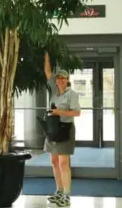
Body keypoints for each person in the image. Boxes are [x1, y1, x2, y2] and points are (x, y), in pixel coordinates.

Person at [43, 52, 81, 207]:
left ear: (67, 80)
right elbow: (47, 72)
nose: (60, 80)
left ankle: (67, 195)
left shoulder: (72, 94)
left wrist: (60, 112)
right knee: (54, 161)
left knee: (64, 162)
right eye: (58, 78)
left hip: (65, 129)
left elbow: (77, 113)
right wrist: (46, 53)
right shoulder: (53, 90)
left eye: (63, 78)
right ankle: (58, 192)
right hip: (52, 129)